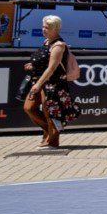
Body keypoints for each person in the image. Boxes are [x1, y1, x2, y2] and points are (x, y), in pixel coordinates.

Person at [20, 14, 76, 149]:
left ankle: (52, 140)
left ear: (55, 29)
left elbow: (51, 68)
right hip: (38, 80)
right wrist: (33, 65)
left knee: (49, 111)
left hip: (52, 83)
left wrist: (39, 84)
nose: (43, 30)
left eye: (47, 27)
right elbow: (44, 62)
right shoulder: (46, 42)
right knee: (28, 108)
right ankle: (49, 131)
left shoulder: (58, 45)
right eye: (43, 27)